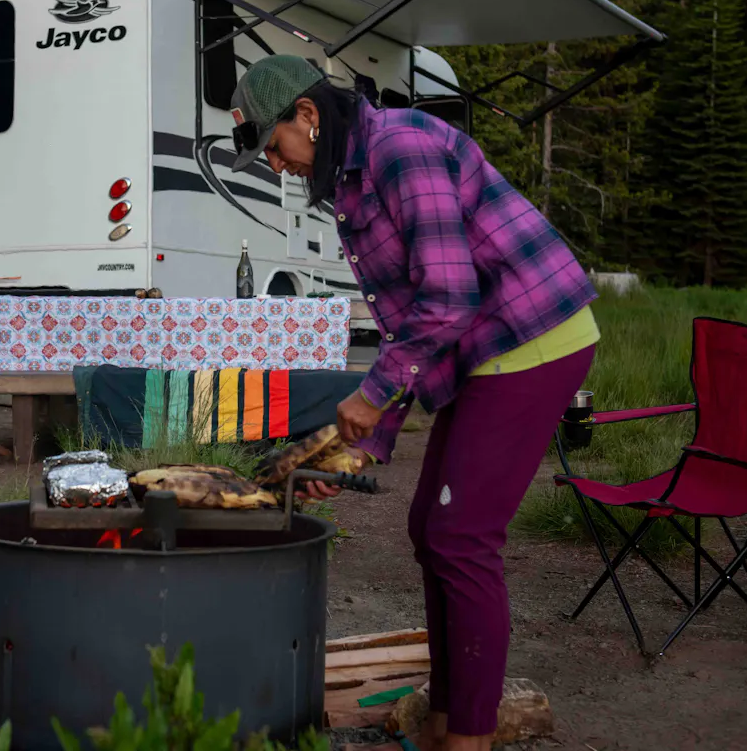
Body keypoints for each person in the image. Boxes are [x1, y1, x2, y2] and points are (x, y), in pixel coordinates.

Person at [230, 56, 598, 751]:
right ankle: (442, 723)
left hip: (533, 332)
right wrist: (368, 439)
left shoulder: (401, 147)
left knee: (463, 539)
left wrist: (372, 397)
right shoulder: (347, 181)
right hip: (481, 348)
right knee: (433, 532)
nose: (275, 165)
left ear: (307, 117)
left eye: (273, 147)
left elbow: (450, 297)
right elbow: (410, 326)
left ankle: (469, 737)